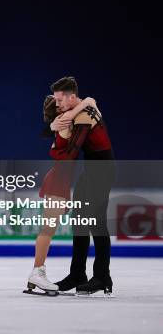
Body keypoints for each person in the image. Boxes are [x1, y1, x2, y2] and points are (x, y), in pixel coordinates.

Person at [48, 76, 115, 295]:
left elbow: (70, 153)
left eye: (59, 100)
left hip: (101, 170)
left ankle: (102, 276)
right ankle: (78, 274)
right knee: (80, 221)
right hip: (92, 169)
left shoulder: (84, 115)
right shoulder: (83, 108)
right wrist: (55, 122)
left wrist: (56, 128)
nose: (57, 104)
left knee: (96, 222)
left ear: (71, 96)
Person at [27, 94, 98, 293]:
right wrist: (87, 101)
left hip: (60, 181)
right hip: (58, 181)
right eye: (59, 103)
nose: (64, 103)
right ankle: (37, 272)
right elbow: (77, 111)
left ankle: (36, 273)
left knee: (48, 229)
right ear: (58, 111)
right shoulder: (63, 123)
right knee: (47, 230)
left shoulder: (60, 124)